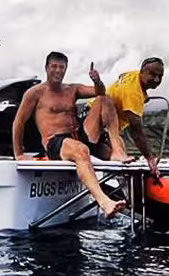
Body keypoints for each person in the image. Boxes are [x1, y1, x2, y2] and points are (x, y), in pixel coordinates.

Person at [11, 51, 130, 218]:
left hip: (79, 136)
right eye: (54, 66)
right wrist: (19, 154)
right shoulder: (35, 93)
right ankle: (105, 202)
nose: (58, 71)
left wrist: (97, 80)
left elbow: (99, 91)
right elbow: (18, 122)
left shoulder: (72, 89)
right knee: (81, 150)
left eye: (62, 67)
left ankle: (118, 153)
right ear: (46, 68)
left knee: (105, 99)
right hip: (56, 142)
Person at [93, 57, 166, 178]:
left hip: (104, 124)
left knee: (121, 150)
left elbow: (122, 75)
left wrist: (144, 96)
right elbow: (136, 131)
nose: (156, 79)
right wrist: (150, 159)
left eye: (160, 76)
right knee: (113, 157)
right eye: (152, 75)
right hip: (97, 124)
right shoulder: (133, 94)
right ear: (142, 72)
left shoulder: (134, 76)